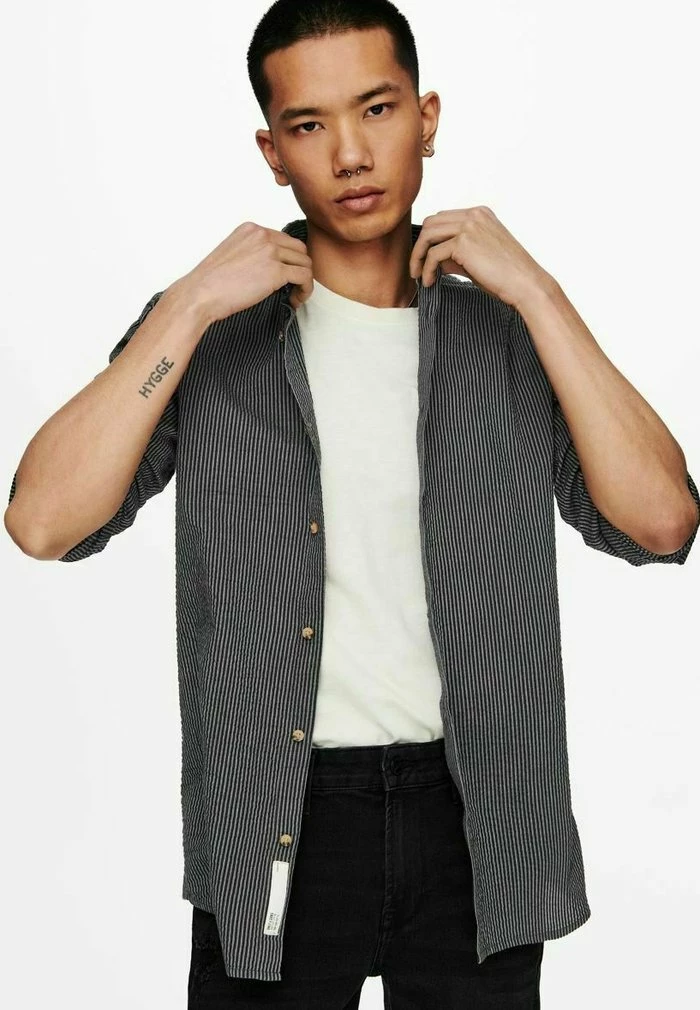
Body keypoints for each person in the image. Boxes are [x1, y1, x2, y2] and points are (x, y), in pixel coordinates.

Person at [5, 1, 699, 1007]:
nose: (350, 154)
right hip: (279, 818)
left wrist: (540, 295)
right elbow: (41, 521)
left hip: (478, 818)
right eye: (308, 124)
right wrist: (187, 306)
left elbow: (664, 520)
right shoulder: (213, 337)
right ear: (272, 152)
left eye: (376, 109)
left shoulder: (505, 335)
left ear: (427, 117)